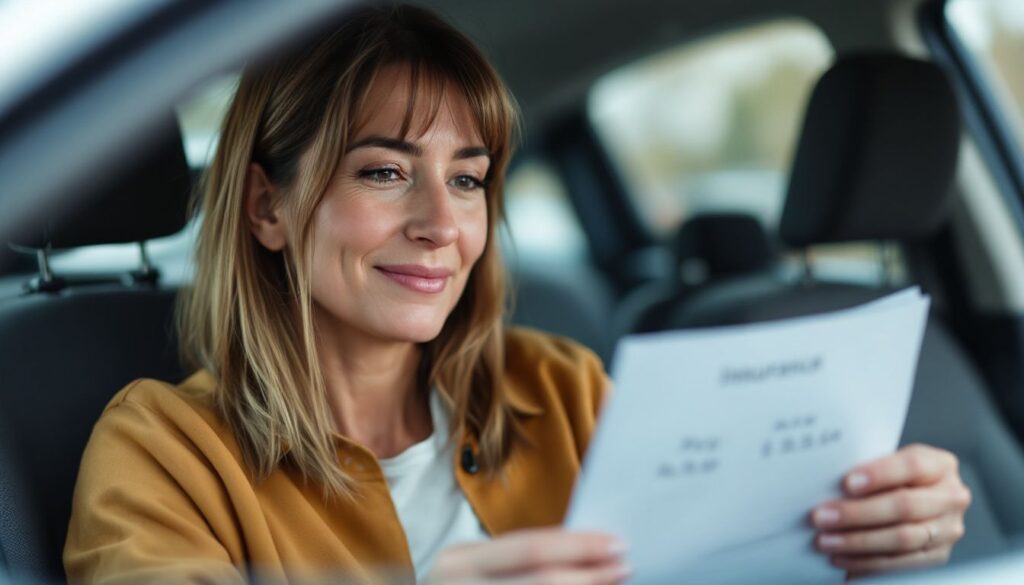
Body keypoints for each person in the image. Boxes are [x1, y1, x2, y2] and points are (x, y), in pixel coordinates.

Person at [64, 4, 971, 585]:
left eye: (469, 180)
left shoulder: (563, 389)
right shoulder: (164, 449)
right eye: (385, 172)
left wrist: (866, 538)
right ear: (267, 205)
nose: (441, 224)